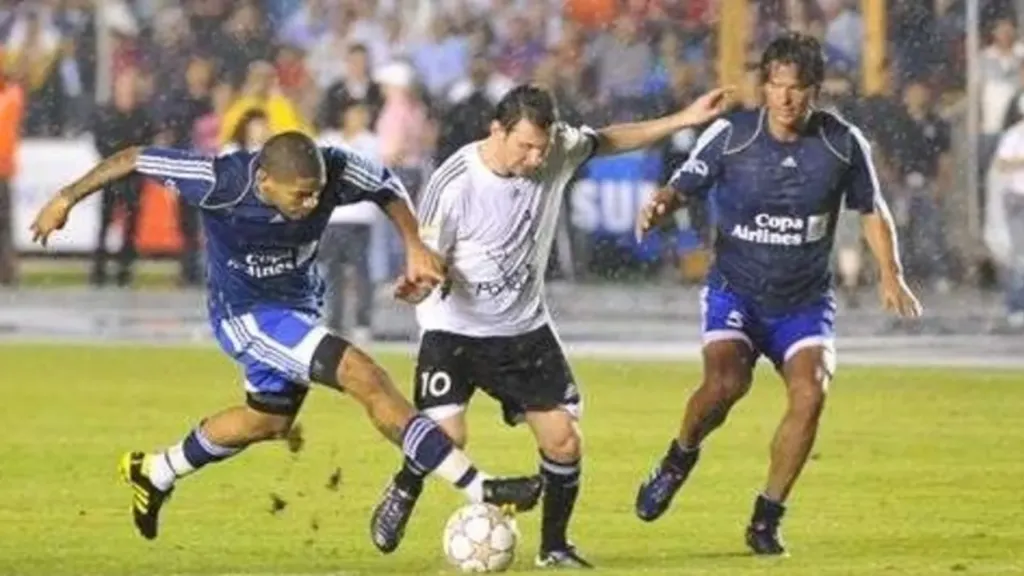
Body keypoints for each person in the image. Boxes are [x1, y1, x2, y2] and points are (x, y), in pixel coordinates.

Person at [28, 132, 543, 541]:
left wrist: (414, 243)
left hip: (299, 306)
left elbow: (386, 184)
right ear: (265, 182)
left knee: (267, 420)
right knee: (364, 375)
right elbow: (137, 157)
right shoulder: (219, 180)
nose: (314, 201)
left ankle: (156, 471)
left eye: (318, 192)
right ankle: (481, 488)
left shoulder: (335, 167)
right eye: (302, 195)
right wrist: (66, 196)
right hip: (249, 316)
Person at [370, 84, 731, 567]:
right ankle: (404, 486)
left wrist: (683, 119)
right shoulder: (454, 183)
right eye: (525, 147)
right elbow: (428, 255)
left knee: (564, 439)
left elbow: (609, 140)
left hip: (522, 329)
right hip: (453, 330)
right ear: (496, 130)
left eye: (543, 147)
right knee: (449, 437)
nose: (537, 158)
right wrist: (418, 281)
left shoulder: (557, 147)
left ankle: (554, 547)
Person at [632, 33, 922, 556]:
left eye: (797, 89)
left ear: (816, 91)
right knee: (725, 384)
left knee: (812, 393)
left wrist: (890, 272)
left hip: (803, 302)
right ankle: (680, 456)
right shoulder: (731, 135)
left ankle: (766, 518)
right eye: (776, 86)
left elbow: (872, 209)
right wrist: (661, 205)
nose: (785, 99)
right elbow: (683, 186)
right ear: (763, 86)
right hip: (735, 292)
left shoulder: (842, 142)